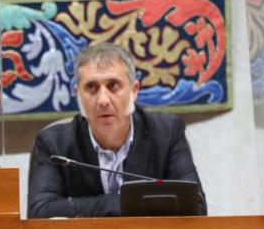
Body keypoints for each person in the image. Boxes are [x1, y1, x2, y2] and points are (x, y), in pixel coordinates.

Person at [27, 42, 205, 218]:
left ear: (134, 91)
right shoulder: (55, 144)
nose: (103, 100)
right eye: (91, 87)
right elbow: (40, 212)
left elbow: (196, 206)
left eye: (113, 86)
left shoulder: (166, 132)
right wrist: (121, 203)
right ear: (78, 94)